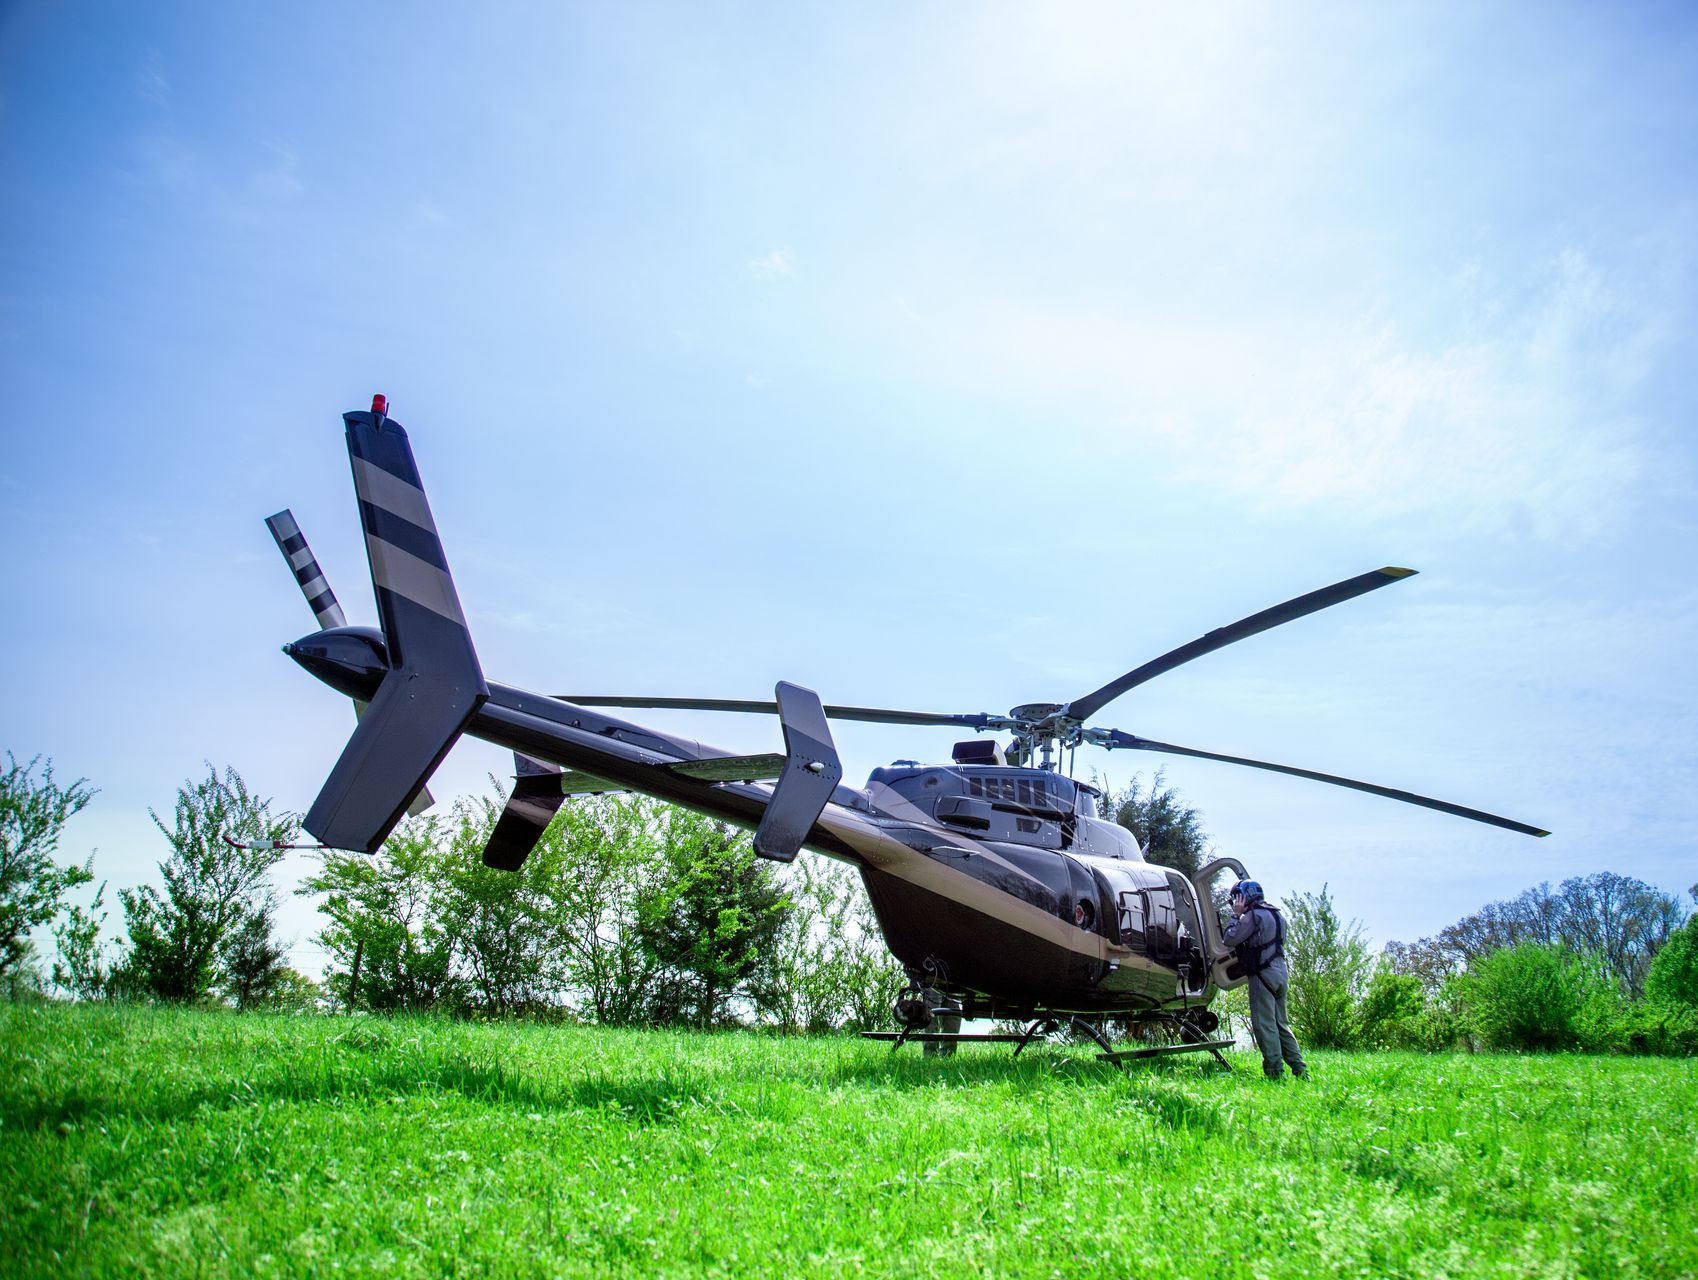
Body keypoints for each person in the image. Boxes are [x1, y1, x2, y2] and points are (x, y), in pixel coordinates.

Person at [1220, 880, 1308, 1080]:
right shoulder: (1277, 914)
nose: (1235, 901)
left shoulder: (1252, 916)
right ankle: (1300, 1070)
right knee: (1281, 1025)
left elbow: (1230, 938)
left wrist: (1236, 915)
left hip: (1262, 975)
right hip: (1281, 973)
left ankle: (1274, 1073)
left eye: (1237, 897)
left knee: (1265, 1025)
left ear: (1244, 896)